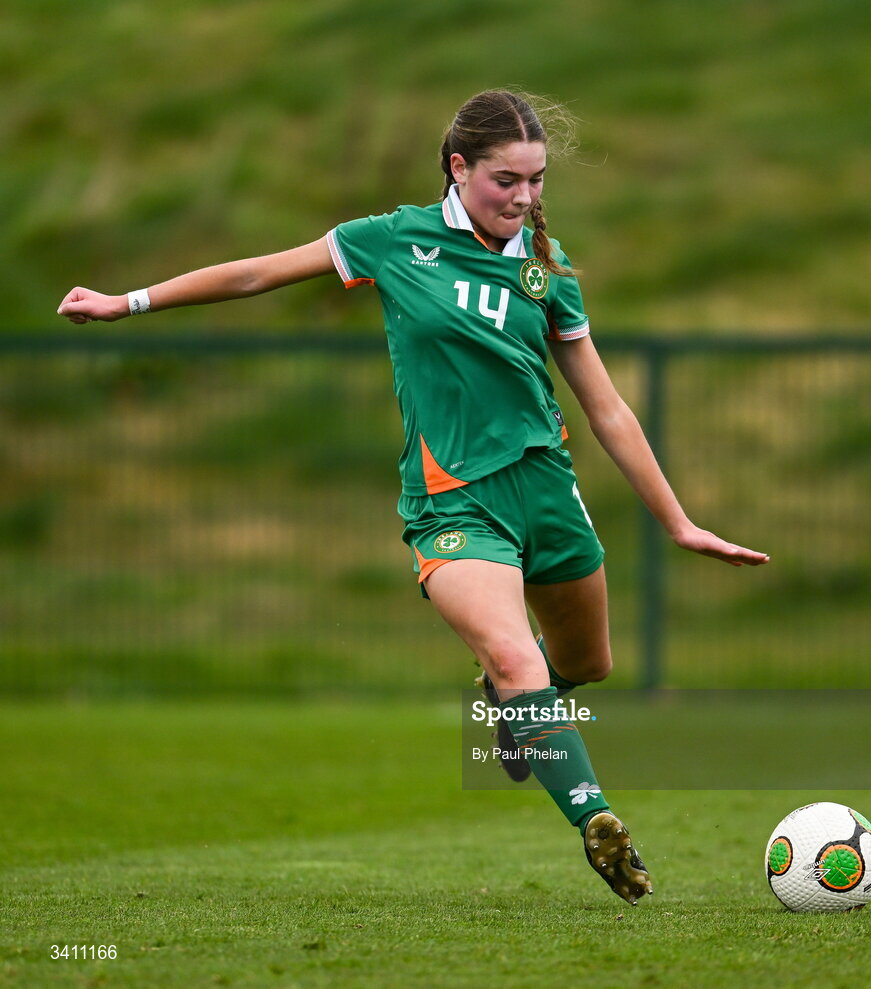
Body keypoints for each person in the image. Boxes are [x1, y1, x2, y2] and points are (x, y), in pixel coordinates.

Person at [58, 89, 769, 906]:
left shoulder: (548, 271)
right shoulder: (395, 241)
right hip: (453, 501)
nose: (527, 196)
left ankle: (513, 709)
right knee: (515, 656)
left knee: (585, 664)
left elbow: (606, 406)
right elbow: (257, 271)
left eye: (537, 180)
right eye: (509, 179)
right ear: (458, 168)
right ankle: (596, 818)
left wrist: (677, 521)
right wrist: (129, 301)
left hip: (546, 490)